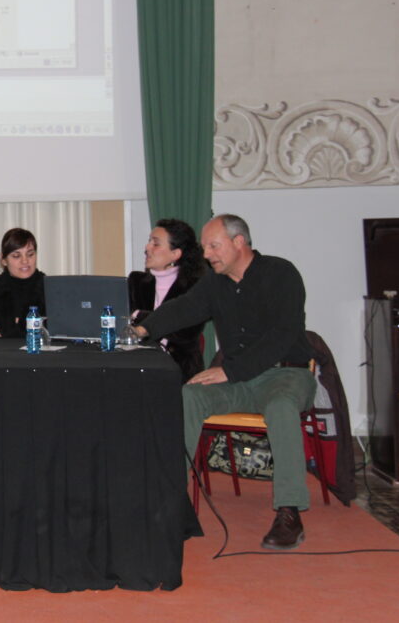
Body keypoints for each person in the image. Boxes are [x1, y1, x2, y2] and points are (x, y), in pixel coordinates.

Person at [132, 214, 316, 550]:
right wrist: (141, 330)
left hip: (286, 373)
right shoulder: (214, 282)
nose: (207, 254)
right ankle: (171, 499)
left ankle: (289, 512)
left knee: (280, 406)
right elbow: (184, 308)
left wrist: (231, 371)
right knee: (189, 395)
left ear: (239, 242)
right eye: (205, 247)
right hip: (239, 380)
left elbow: (283, 335)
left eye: (214, 246)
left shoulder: (281, 273)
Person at [128, 218, 206, 382]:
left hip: (181, 372)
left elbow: (185, 333)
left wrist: (140, 315)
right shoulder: (136, 281)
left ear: (175, 254)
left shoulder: (195, 287)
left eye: (155, 244)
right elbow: (128, 328)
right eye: (149, 241)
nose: (147, 248)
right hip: (140, 366)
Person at [0, 228, 45, 338]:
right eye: (16, 256)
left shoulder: (51, 290)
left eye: (30, 254)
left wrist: (4, 339)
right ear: (3, 260)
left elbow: (58, 338)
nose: (25, 261)